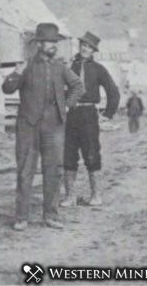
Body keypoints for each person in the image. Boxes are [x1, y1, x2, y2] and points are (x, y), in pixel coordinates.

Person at [2, 23, 84, 230]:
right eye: (48, 42)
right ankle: (21, 217)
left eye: (54, 42)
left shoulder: (60, 66)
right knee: (25, 171)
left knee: (54, 170)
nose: (52, 45)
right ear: (39, 44)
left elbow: (78, 86)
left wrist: (65, 106)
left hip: (54, 124)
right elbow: (7, 88)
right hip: (28, 124)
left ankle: (51, 215)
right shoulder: (26, 65)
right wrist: (17, 73)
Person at [60, 32, 120, 208]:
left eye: (89, 47)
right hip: (69, 114)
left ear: (94, 50)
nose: (85, 49)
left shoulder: (98, 69)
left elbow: (113, 92)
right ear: (79, 46)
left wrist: (107, 115)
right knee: (68, 154)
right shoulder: (68, 66)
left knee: (92, 153)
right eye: (83, 45)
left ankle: (96, 195)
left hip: (88, 115)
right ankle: (70, 197)